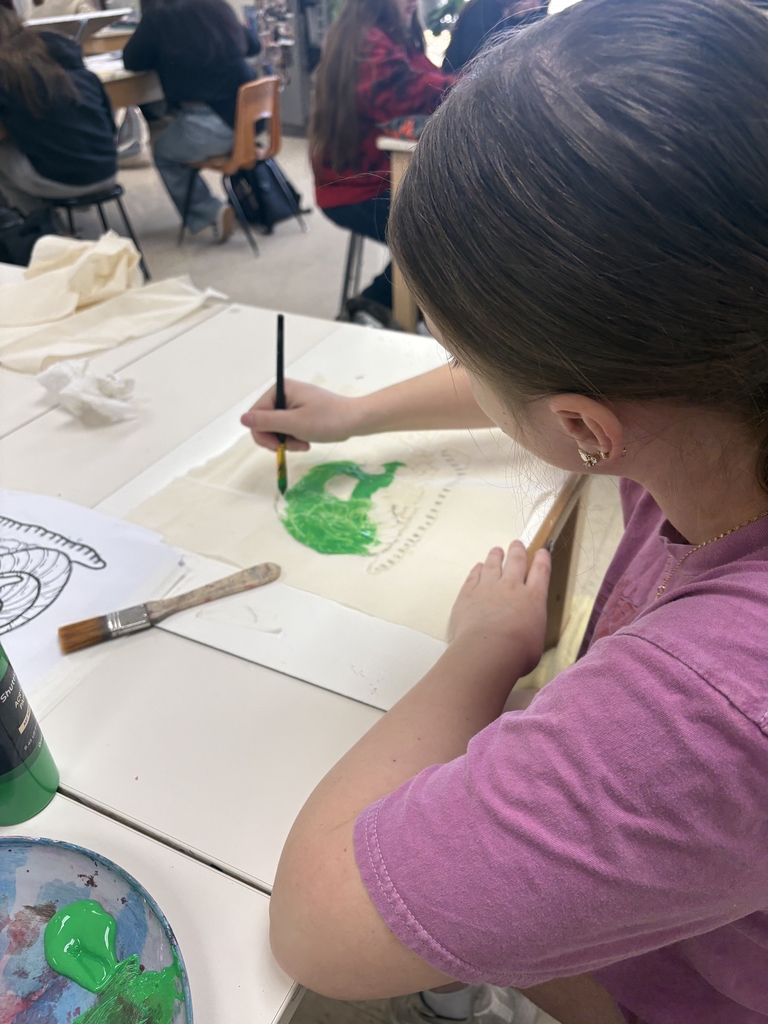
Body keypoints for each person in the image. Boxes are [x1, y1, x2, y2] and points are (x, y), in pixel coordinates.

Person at [242, 1, 768, 1022]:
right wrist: (355, 414)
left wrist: (483, 649)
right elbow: (567, 380)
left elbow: (317, 925)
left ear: (586, 426)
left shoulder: (714, 703)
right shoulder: (719, 394)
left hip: (683, 986)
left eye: (461, 354)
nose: (461, 373)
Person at [310, 0, 454, 326]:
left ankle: (398, 306)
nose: (412, 3)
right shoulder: (367, 43)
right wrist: (479, 87)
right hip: (354, 187)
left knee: (456, 218)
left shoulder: (389, 38)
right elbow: (412, 93)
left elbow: (427, 81)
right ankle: (374, 306)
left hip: (374, 176)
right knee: (445, 232)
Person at [123, 0, 260, 242]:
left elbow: (132, 60)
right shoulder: (218, 7)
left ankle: (209, 211)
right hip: (250, 120)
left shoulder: (159, 17)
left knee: (163, 153)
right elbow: (253, 45)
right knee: (176, 138)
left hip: (212, 124)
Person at [0, 7, 116, 215]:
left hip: (64, 180)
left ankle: (41, 226)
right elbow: (110, 123)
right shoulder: (70, 62)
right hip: (107, 171)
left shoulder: (7, 74)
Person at [442, 0, 546, 73]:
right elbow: (479, 65)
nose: (536, 5)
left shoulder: (532, 9)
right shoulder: (481, 10)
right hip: (467, 87)